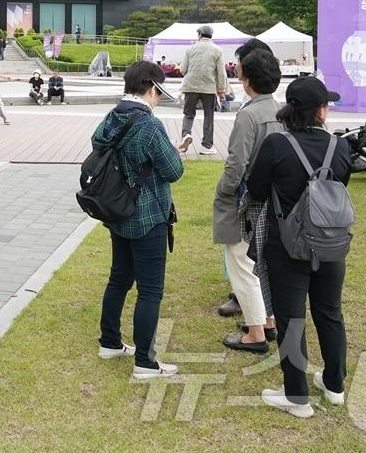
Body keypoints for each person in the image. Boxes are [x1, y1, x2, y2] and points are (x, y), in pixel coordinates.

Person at [246, 76, 351, 418]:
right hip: (332, 242)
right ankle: (335, 386)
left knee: (292, 319)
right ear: (320, 111)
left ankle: (296, 395)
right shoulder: (341, 147)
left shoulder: (277, 144)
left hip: (287, 245)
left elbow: (257, 188)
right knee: (330, 314)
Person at [94, 61, 184, 379]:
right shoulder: (149, 125)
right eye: (159, 92)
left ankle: (110, 342)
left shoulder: (112, 116)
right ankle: (145, 362)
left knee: (119, 278)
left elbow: (99, 146)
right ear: (150, 89)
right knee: (150, 290)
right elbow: (174, 170)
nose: (158, 98)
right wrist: (173, 153)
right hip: (148, 215)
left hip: (117, 210)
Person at [215, 50, 283, 354]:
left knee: (242, 263)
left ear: (247, 81)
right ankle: (267, 321)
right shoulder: (279, 110)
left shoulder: (249, 114)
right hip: (275, 199)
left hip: (247, 200)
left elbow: (236, 162)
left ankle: (256, 333)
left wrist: (223, 191)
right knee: (262, 263)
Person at [179, 25, 227, 155]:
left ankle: (186, 135)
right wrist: (221, 90)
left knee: (188, 114)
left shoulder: (190, 49)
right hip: (209, 88)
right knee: (209, 116)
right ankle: (206, 146)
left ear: (200, 34)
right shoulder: (217, 50)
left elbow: (183, 69)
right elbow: (221, 72)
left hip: (190, 86)